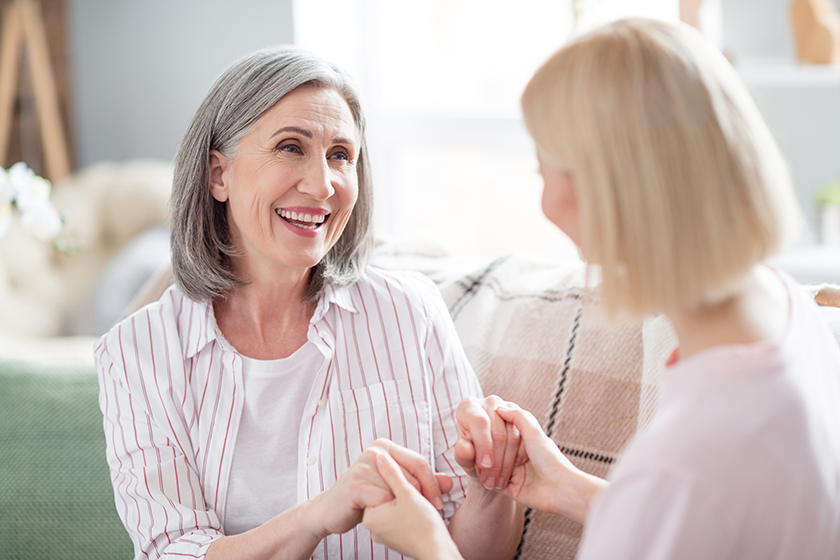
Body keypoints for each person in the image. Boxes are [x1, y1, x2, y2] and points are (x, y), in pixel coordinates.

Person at [362, 18, 840, 560]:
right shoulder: (783, 309)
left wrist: (428, 544)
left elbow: (685, 495)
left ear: (605, 189)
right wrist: (569, 487)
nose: (544, 203)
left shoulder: (682, 462)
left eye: (543, 169)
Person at [94, 46, 522, 560]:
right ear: (217, 175)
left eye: (340, 155)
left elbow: (466, 550)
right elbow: (171, 549)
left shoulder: (411, 311)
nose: (323, 185)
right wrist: (318, 514)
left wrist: (492, 485)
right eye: (291, 147)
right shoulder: (137, 351)